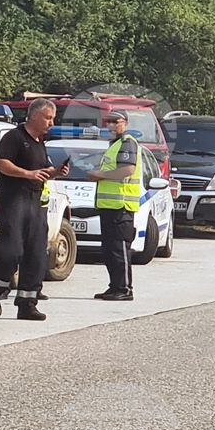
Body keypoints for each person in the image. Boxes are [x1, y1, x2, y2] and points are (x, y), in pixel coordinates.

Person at [0, 98, 69, 321]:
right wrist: (27, 174)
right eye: (48, 117)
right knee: (12, 251)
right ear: (34, 116)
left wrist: (55, 172)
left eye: (53, 118)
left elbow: (42, 171)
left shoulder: (40, 142)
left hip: (35, 203)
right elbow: (1, 163)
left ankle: (27, 304)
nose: (51, 122)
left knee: (36, 255)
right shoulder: (14, 137)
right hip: (14, 199)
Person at [87, 109, 140, 301]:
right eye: (108, 122)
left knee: (119, 249)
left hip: (121, 206)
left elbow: (127, 170)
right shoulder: (115, 144)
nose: (110, 125)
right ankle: (115, 286)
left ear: (125, 123)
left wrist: (99, 174)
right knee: (109, 250)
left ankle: (124, 289)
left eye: (114, 121)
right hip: (110, 206)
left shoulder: (127, 143)